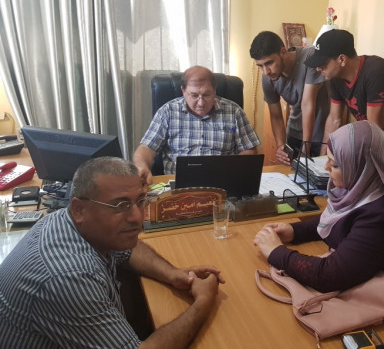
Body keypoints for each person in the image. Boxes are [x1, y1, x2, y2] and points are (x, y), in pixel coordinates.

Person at [0, 157, 224, 348]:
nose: (137, 217)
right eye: (120, 206)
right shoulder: (68, 277)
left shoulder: (69, 220)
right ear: (79, 209)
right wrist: (203, 302)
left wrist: (173, 274)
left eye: (140, 201)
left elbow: (127, 247)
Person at [253, 120, 384, 304]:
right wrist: (295, 231)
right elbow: (338, 220)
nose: (326, 168)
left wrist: (276, 252)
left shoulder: (383, 217)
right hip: (359, 284)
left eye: (334, 165)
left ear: (362, 168)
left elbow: (328, 276)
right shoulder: (365, 188)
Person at [133, 65, 260, 183]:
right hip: (178, 183)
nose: (201, 103)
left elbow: (249, 149)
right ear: (183, 91)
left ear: (214, 91)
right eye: (194, 96)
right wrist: (141, 166)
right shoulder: (168, 111)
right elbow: (146, 148)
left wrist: (232, 171)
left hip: (222, 181)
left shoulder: (233, 111)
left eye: (207, 95)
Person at [304, 29, 384, 149]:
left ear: (342, 59)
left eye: (322, 63)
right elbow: (334, 120)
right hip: (373, 138)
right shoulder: (335, 77)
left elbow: (375, 129)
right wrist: (322, 157)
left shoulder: (377, 73)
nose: (318, 68)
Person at [250, 30, 330, 164]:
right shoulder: (267, 78)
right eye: (260, 66)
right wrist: (281, 146)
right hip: (294, 133)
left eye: (269, 63)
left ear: (283, 52)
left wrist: (305, 149)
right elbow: (276, 116)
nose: (266, 71)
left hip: (321, 136)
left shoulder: (310, 57)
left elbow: (307, 105)